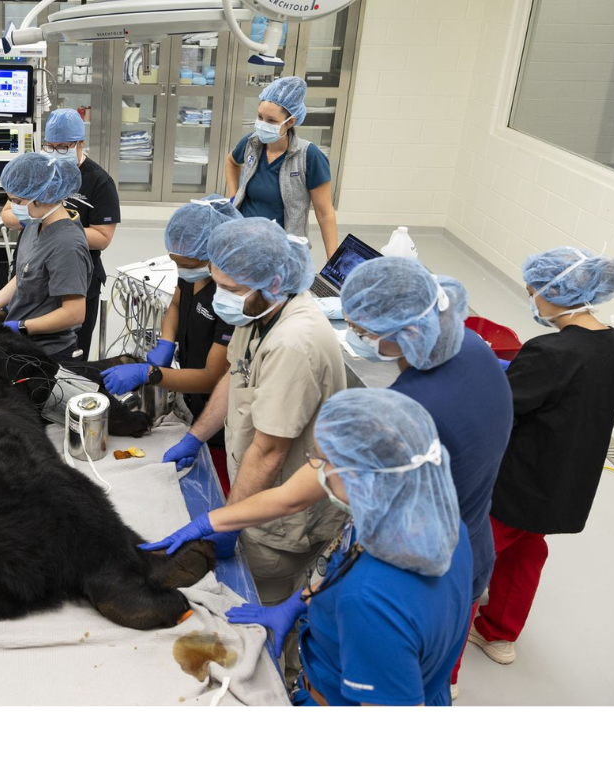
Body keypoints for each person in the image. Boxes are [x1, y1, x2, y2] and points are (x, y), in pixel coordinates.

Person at [142, 389, 473, 706]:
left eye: (325, 461)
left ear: (362, 477)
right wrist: (305, 601)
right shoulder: (434, 522)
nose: (317, 469)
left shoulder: (369, 602)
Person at [161, 217, 347, 661]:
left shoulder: (294, 343)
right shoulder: (260, 308)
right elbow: (235, 373)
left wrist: (228, 520)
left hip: (281, 514)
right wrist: (196, 435)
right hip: (258, 488)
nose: (221, 295)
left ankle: (280, 680)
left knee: (258, 623)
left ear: (274, 281)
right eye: (217, 283)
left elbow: (269, 452)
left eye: (229, 287)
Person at [338, 256, 513, 698]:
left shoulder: (411, 412)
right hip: (469, 554)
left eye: (365, 332)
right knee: (436, 677)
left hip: (427, 573)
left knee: (409, 685)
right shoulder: (472, 346)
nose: (358, 339)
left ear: (409, 332)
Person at [467, 247, 614, 669]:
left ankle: (444, 673)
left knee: (468, 566)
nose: (530, 298)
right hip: (566, 484)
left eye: (533, 291)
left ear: (555, 293)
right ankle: (500, 635)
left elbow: (503, 406)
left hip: (517, 482)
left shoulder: (550, 352)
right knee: (527, 554)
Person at [99, 195, 238, 478]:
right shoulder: (192, 274)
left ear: (215, 254)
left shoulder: (230, 296)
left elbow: (213, 376)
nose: (181, 271)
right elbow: (175, 303)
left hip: (221, 414)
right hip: (192, 398)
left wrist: (150, 373)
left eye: (187, 264)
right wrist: (166, 340)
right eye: (176, 263)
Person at [1, 108, 120, 359]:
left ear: (80, 143)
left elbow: (73, 314)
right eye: (50, 145)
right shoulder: (37, 210)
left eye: (63, 146)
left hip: (55, 338)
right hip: (37, 267)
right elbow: (23, 276)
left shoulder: (98, 184)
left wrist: (60, 232)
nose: (55, 151)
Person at [0, 151, 91, 363]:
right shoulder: (35, 222)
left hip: (48, 354)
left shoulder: (67, 245)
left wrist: (22, 327)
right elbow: (26, 272)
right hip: (23, 345)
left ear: (42, 197)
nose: (13, 207)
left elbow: (74, 313)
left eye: (17, 200)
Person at [224, 76, 338, 258]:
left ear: (290, 122)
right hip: (244, 241)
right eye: (259, 117)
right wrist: (233, 196)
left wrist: (333, 260)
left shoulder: (309, 156)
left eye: (271, 121)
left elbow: (325, 213)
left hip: (283, 250)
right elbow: (231, 161)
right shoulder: (251, 143)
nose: (262, 124)